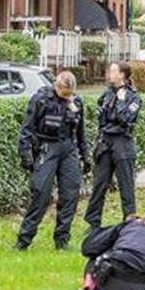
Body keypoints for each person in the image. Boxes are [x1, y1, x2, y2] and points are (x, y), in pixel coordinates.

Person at [16, 70, 87, 251]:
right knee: (41, 194)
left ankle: (62, 240)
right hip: (47, 147)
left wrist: (85, 156)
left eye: (70, 94)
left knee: (70, 194)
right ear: (57, 85)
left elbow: (80, 133)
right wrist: (26, 155)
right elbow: (26, 130)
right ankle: (24, 240)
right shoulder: (41, 100)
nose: (67, 97)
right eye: (64, 93)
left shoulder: (76, 102)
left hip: (68, 149)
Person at [83, 62, 142, 237]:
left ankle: (129, 222)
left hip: (123, 142)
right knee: (99, 184)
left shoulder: (133, 97)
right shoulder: (107, 93)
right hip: (106, 142)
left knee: (126, 185)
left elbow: (126, 119)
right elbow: (102, 117)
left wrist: (122, 102)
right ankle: (93, 223)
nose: (109, 73)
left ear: (122, 75)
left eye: (113, 71)